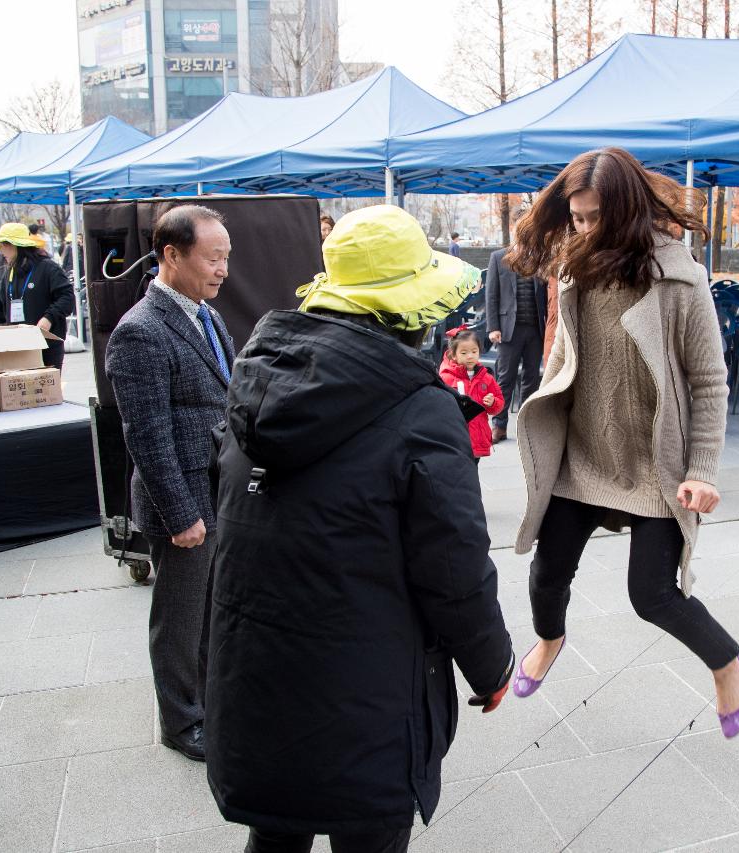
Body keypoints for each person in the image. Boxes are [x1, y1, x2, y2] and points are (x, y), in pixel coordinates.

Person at [206, 205, 514, 852]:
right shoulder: (421, 411)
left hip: (258, 679)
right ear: (405, 310)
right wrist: (490, 665)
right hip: (367, 690)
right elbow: (455, 568)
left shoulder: (256, 378)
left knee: (275, 830)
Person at [505, 147, 739, 738]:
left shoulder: (680, 278)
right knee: (546, 574)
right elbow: (566, 352)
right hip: (584, 457)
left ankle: (727, 664)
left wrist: (703, 469)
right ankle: (549, 638)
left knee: (653, 597)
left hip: (652, 465)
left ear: (628, 209)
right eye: (578, 218)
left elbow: (711, 380)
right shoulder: (573, 266)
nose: (585, 229)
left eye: (596, 217)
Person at [105, 205, 236, 762]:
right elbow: (147, 439)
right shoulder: (140, 331)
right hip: (182, 504)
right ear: (172, 255)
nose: (223, 269)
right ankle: (181, 724)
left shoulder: (206, 315)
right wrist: (182, 516)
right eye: (213, 257)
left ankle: (208, 705)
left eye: (227, 257)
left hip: (216, 491)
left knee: (211, 614)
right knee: (179, 622)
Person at [0, 224, 74, 370]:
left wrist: (48, 318)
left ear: (14, 245)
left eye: (2, 245)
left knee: (46, 390)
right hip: (18, 344)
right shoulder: (10, 273)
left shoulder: (47, 268)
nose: (1, 251)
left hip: (46, 343)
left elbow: (67, 297)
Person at [484, 244, 547, 444]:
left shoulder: (540, 256)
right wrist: (493, 327)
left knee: (531, 379)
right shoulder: (498, 257)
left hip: (536, 329)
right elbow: (491, 294)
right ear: (515, 229)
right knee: (505, 379)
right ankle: (499, 426)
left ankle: (524, 426)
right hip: (508, 330)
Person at [439, 326, 505, 463]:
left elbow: (499, 403)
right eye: (464, 353)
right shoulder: (446, 378)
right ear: (453, 355)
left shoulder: (486, 378)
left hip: (477, 438)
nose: (470, 356)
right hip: (455, 437)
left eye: (474, 351)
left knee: (472, 471)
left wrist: (492, 403)